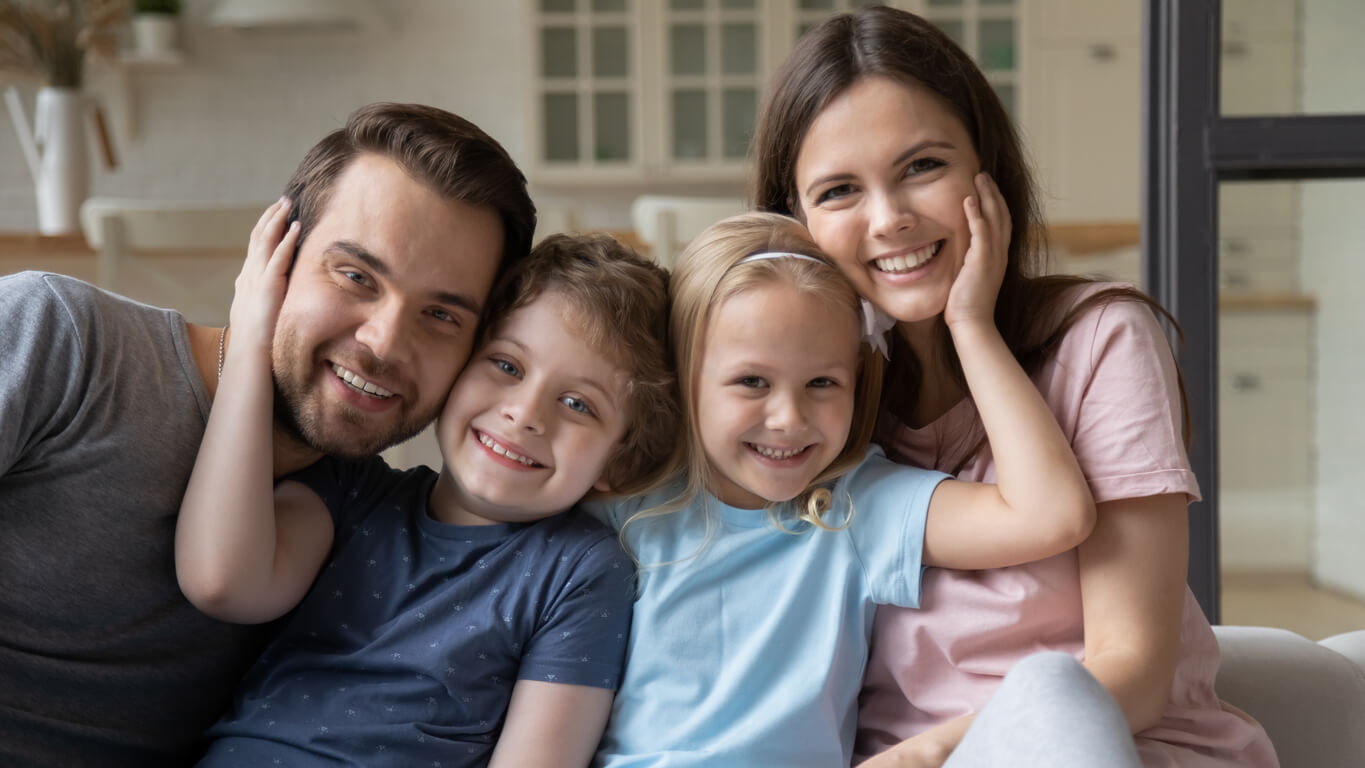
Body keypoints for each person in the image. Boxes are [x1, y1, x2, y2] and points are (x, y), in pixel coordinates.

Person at [750, 7, 1278, 767]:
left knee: (1049, 692)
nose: (889, 218)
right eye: (838, 191)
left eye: (921, 167)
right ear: (792, 221)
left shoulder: (1099, 338)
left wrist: (972, 325)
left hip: (1116, 745)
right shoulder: (808, 406)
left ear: (985, 167)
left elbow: (1131, 673)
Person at [0, 102, 536, 767]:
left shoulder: (367, 525)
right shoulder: (57, 337)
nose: (384, 342)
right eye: (355, 276)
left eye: (441, 315)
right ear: (275, 252)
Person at [589, 211, 1144, 767]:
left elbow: (1051, 515)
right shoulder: (626, 509)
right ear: (685, 375)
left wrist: (971, 325)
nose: (788, 417)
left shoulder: (856, 505)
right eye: (751, 382)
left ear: (857, 378)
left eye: (822, 383)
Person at [176, 223, 678, 767]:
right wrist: (252, 339)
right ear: (456, 367)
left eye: (579, 404)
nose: (525, 414)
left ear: (620, 460)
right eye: (507, 366)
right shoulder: (351, 489)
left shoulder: (580, 571)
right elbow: (223, 583)